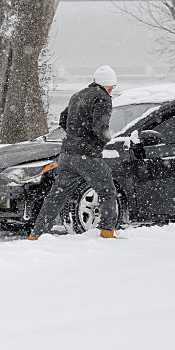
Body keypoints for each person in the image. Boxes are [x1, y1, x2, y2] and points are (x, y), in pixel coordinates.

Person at [28, 65, 120, 240]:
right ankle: (107, 232)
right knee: (107, 191)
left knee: (56, 196)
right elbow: (100, 128)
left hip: (67, 154)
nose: (111, 90)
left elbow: (63, 119)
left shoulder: (77, 95)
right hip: (87, 156)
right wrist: (101, 141)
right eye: (112, 87)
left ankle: (36, 234)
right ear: (109, 85)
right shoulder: (102, 98)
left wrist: (75, 135)